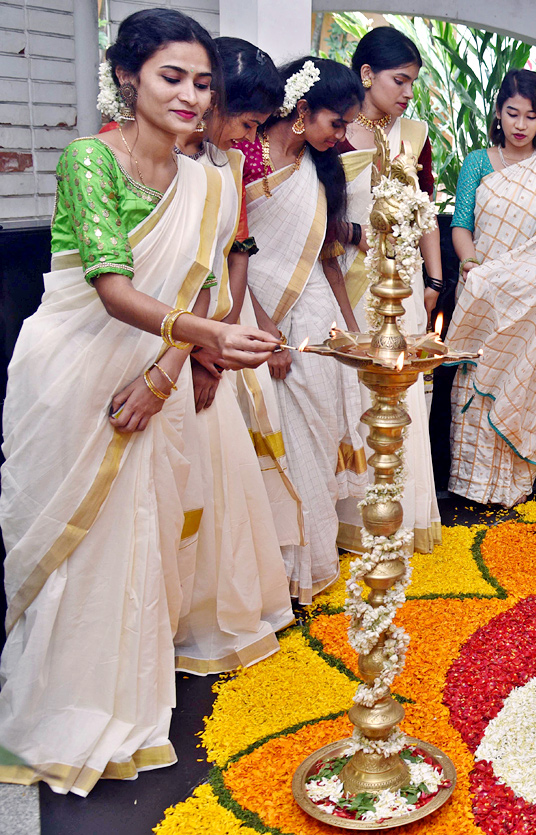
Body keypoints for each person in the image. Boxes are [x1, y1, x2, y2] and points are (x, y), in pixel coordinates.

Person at [0, 9, 278, 794]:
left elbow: (212, 283)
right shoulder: (90, 159)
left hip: (155, 373)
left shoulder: (210, 185)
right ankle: (66, 701)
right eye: (171, 76)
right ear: (128, 76)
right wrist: (205, 338)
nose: (191, 95)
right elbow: (114, 287)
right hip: (76, 371)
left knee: (147, 530)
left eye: (201, 82)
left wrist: (172, 372)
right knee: (80, 539)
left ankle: (129, 692)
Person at [173, 35, 296, 674]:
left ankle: (206, 612)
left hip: (213, 329)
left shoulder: (227, 164)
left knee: (216, 476)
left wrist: (222, 330)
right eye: (248, 122)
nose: (252, 135)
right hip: (162, 338)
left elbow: (237, 251)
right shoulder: (157, 160)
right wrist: (197, 347)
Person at [233, 57, 369, 602]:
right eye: (337, 123)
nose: (342, 137)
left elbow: (327, 257)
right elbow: (231, 253)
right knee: (279, 441)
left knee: (318, 429)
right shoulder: (244, 156)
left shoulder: (323, 167)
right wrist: (266, 336)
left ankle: (314, 558)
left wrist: (353, 329)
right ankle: (282, 574)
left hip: (315, 311)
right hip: (253, 311)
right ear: (303, 110)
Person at [445, 69, 536, 507]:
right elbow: (461, 224)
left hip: (532, 293)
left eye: (531, 116)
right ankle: (470, 484)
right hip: (485, 287)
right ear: (499, 113)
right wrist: (469, 264)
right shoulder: (478, 162)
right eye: (512, 114)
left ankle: (513, 487)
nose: (520, 125)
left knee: (522, 379)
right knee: (475, 380)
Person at [335, 26, 442, 553]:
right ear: (366, 74)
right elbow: (322, 215)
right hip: (351, 279)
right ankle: (356, 518)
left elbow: (427, 216)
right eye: (399, 80)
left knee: (402, 389)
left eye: (412, 84)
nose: (406, 93)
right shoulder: (334, 132)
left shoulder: (413, 137)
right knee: (356, 386)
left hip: (406, 282)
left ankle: (403, 514)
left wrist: (436, 280)